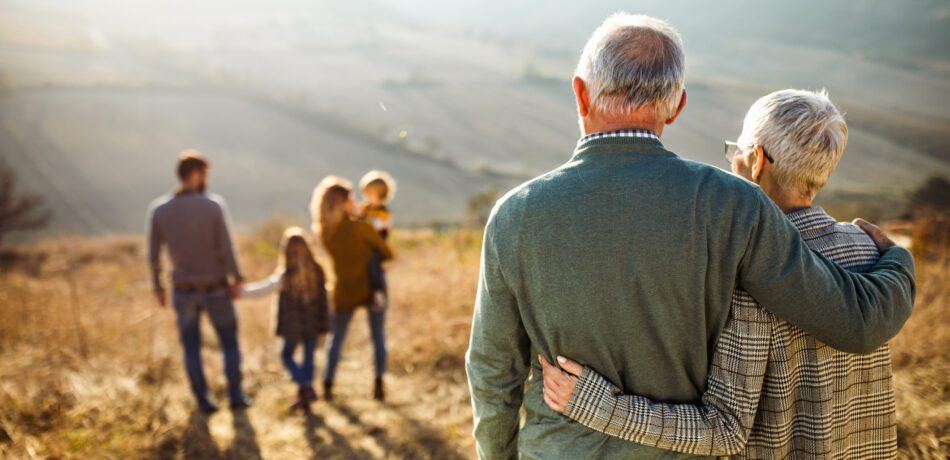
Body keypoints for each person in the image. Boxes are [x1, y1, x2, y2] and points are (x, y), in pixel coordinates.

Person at [465, 13, 915, 460]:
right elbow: (852, 321)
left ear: (580, 94)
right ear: (678, 105)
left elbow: (493, 372)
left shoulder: (515, 215)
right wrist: (897, 261)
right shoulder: (733, 204)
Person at [540, 89, 900, 459]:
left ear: (757, 162)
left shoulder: (747, 271)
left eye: (736, 152)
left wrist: (598, 406)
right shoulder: (868, 248)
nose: (732, 164)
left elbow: (726, 431)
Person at [147, 150, 251, 414]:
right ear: (195, 174)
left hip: (182, 291)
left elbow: (153, 254)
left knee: (191, 348)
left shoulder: (159, 210)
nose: (207, 180)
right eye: (205, 174)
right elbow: (226, 248)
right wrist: (236, 278)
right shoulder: (213, 206)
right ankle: (236, 396)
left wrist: (158, 286)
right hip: (216, 287)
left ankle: (204, 401)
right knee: (229, 342)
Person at [311, 176, 394, 401]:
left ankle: (327, 384)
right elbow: (387, 252)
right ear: (343, 202)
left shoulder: (325, 233)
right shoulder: (361, 227)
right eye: (350, 198)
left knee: (336, 338)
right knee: (378, 336)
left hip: (344, 288)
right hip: (372, 286)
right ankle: (378, 384)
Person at [241, 227, 330, 413]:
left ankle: (305, 387)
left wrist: (239, 292)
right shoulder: (318, 271)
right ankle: (306, 391)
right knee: (308, 358)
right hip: (313, 324)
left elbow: (262, 290)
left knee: (287, 355)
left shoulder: (285, 275)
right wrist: (324, 323)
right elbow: (325, 300)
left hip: (293, 326)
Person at [357, 170, 397, 311]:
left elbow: (378, 226)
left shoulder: (383, 211)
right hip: (365, 246)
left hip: (377, 247)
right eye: (365, 194)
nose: (366, 197)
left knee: (374, 265)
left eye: (369, 194)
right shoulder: (366, 208)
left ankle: (378, 292)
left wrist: (365, 221)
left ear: (380, 195)